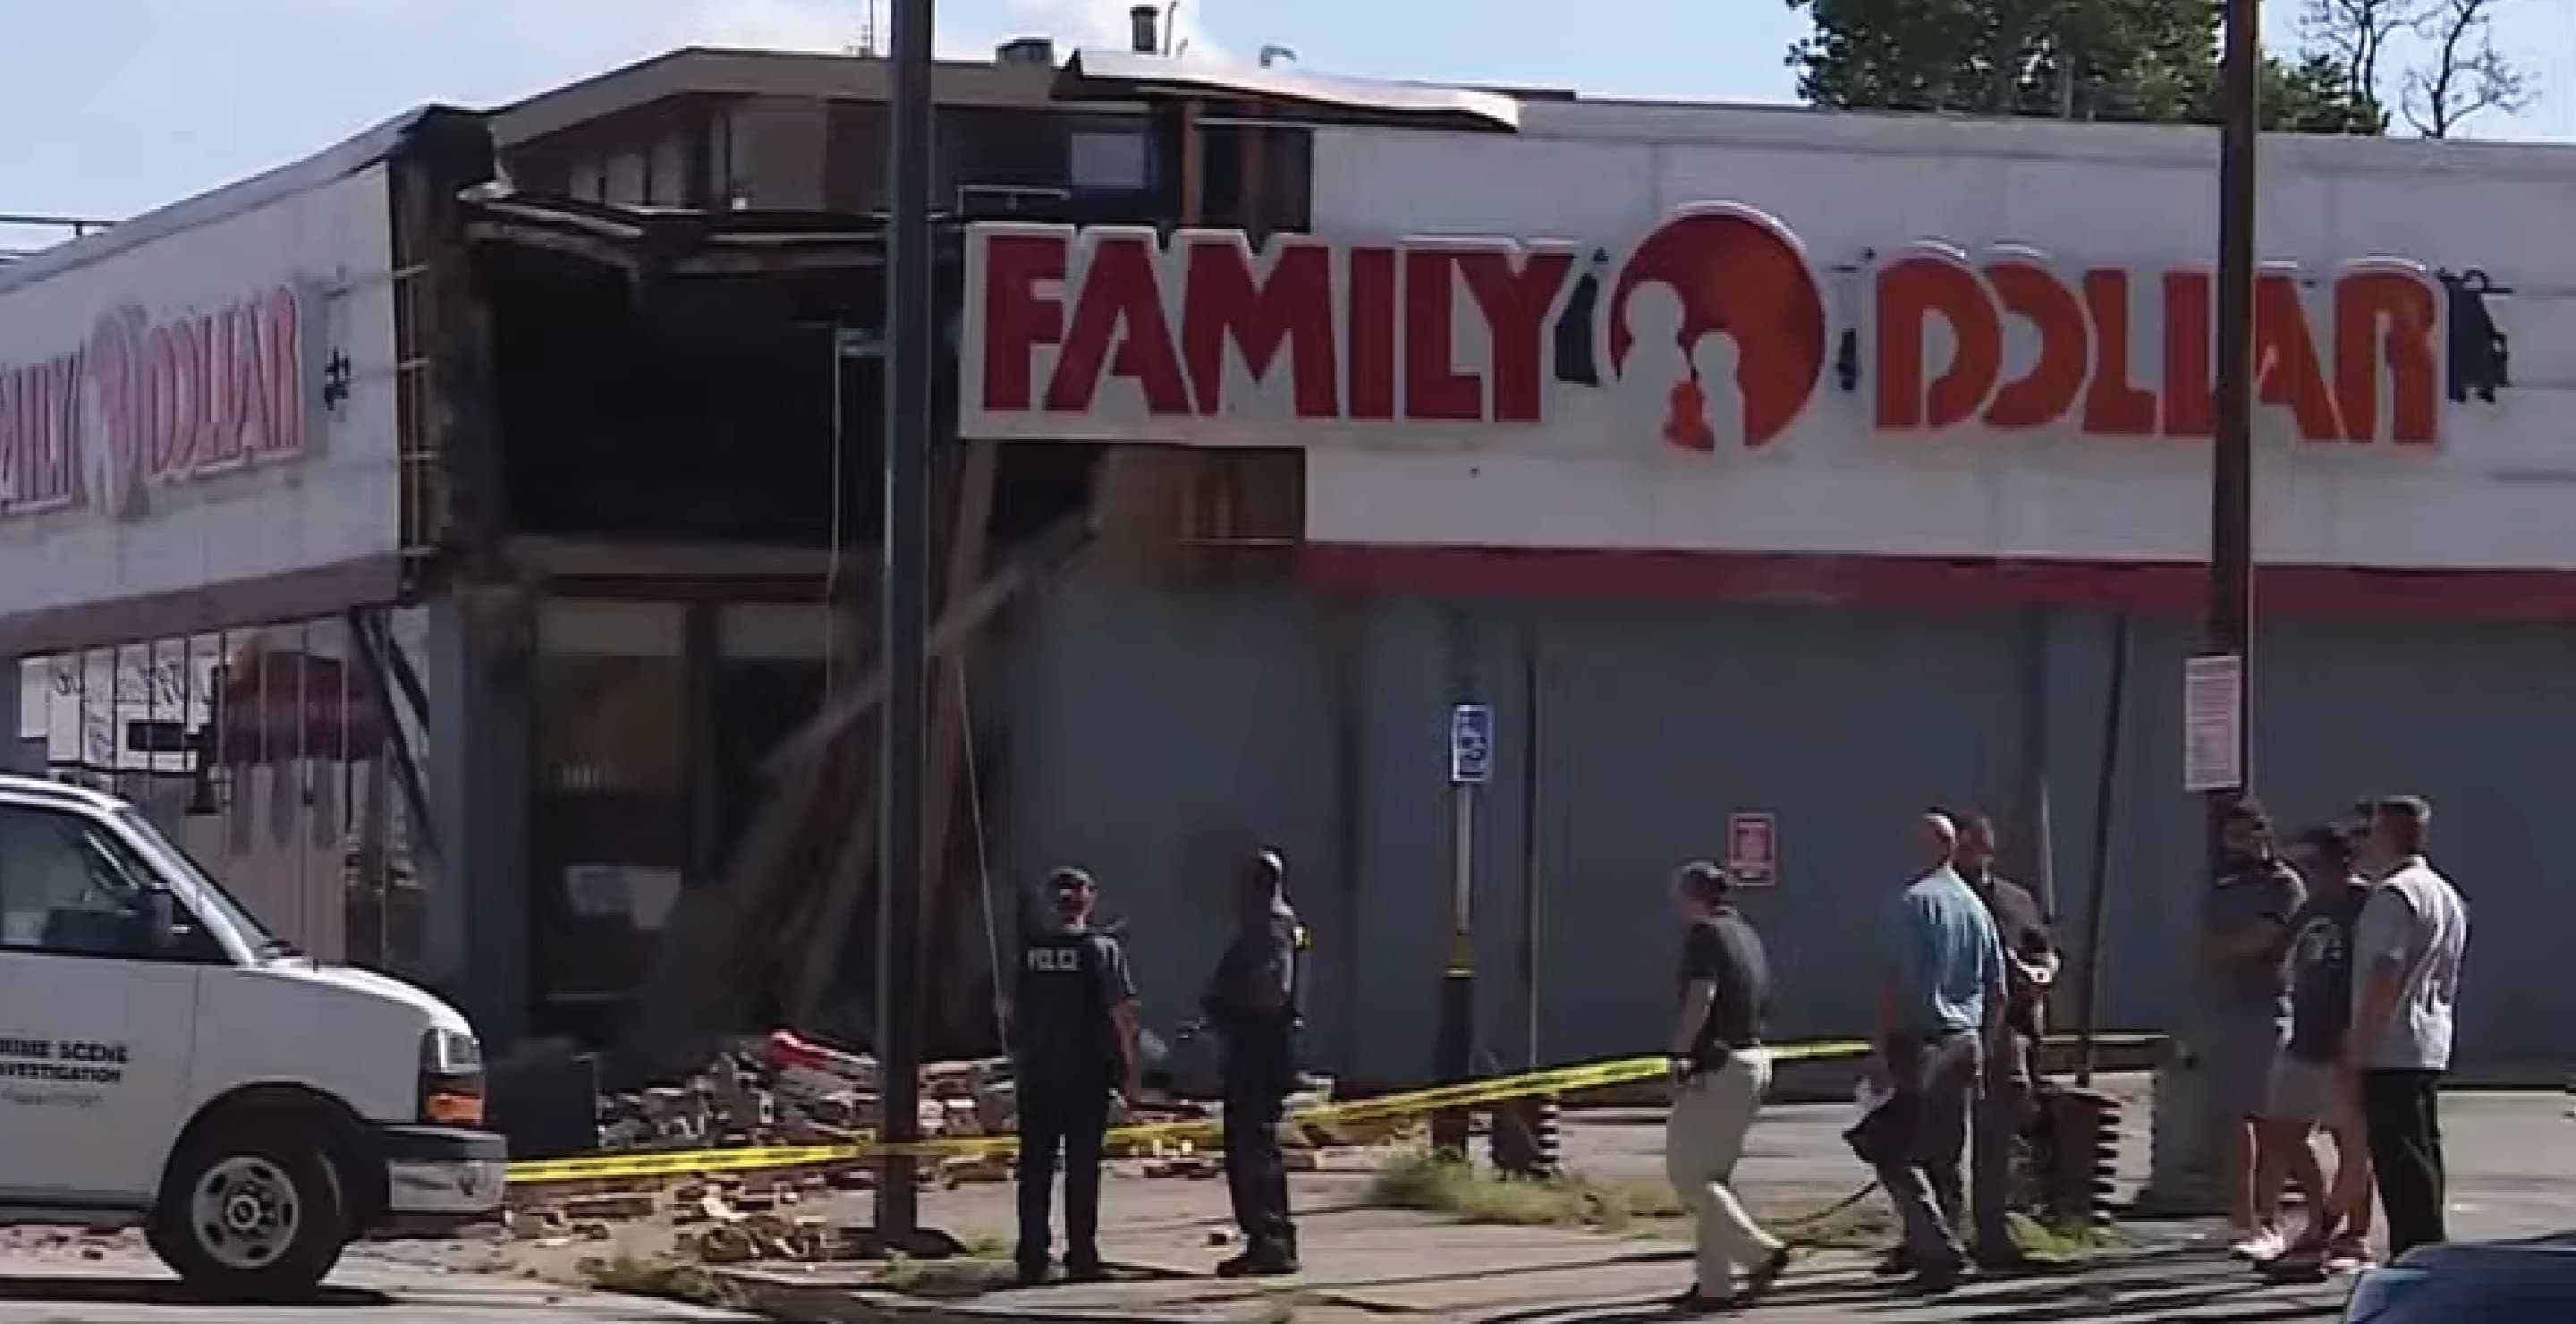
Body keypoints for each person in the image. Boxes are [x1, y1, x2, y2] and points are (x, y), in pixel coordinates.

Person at [1864, 811, 2006, 1294]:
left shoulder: (1913, 903)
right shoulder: (1974, 907)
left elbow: (1893, 982)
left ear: (1927, 847)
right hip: (1965, 1042)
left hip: (1920, 1041)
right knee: (1945, 1157)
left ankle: (1938, 1250)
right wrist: (1984, 1048)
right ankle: (1943, 1243)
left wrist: (1880, 1051)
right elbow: (1999, 990)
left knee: (1892, 1150)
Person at [1662, 861, 1792, 1312]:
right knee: (1715, 1178)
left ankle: (1759, 1252)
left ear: (1692, 895)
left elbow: (1703, 995)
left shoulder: (1705, 935)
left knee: (1687, 1175)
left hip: (1718, 1066)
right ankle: (1714, 1284)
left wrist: (1679, 1054)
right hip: (1753, 1058)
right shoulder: (1744, 934)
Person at [2345, 795, 2469, 1260]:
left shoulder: (2394, 895)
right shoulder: (2445, 893)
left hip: (2392, 1042)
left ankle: (2414, 1251)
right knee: (2421, 1148)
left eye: (2370, 832)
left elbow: (2385, 972)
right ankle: (2431, 1245)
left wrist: (2360, 1045)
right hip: (2429, 1038)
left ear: (2386, 836)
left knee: (2397, 1155)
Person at [1012, 867, 1142, 1286]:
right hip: (1086, 1075)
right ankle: (1081, 1254)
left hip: (1038, 1073)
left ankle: (1032, 1255)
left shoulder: (1031, 950)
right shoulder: (1100, 950)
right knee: (1082, 1168)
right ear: (1089, 901)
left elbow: (1014, 1008)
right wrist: (1131, 1071)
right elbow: (1122, 1015)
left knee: (1036, 1166)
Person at [2260, 824, 2379, 1278]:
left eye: (2315, 864)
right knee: (2281, 1130)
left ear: (2341, 861)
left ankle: (2355, 1236)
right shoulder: (2310, 907)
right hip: (2304, 1036)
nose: (2308, 874)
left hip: (2345, 1040)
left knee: (2351, 1142)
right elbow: (2283, 953)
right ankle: (2319, 1219)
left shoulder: (2365, 904)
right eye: (2302, 866)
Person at [2199, 798, 2306, 1262]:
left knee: (2270, 1120)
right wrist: (2231, 947)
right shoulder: (2220, 883)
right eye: (2234, 834)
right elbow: (2205, 946)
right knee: (2233, 1119)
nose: (2242, 842)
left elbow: (2269, 940)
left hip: (2269, 1008)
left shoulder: (2282, 885)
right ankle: (2240, 1217)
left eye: (2251, 832)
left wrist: (2235, 946)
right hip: (2226, 1007)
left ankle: (2271, 1220)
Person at [1954, 812, 2058, 1273]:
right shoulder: (1942, 899)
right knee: (1942, 1140)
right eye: (1971, 845)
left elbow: (2044, 949)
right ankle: (1937, 1236)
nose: (1980, 853)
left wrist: (2042, 971)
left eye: (1985, 844)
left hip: (2008, 1031)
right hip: (1954, 1029)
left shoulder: (2016, 899)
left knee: (1997, 1136)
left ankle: (1993, 1234)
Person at [1204, 848, 1303, 1277]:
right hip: (1256, 1053)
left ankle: (1270, 1241)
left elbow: (1270, 993)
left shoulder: (1269, 930)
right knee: (1251, 1148)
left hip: (1256, 1056)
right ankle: (1267, 1239)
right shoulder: (1269, 927)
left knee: (1253, 1151)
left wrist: (1222, 1004)